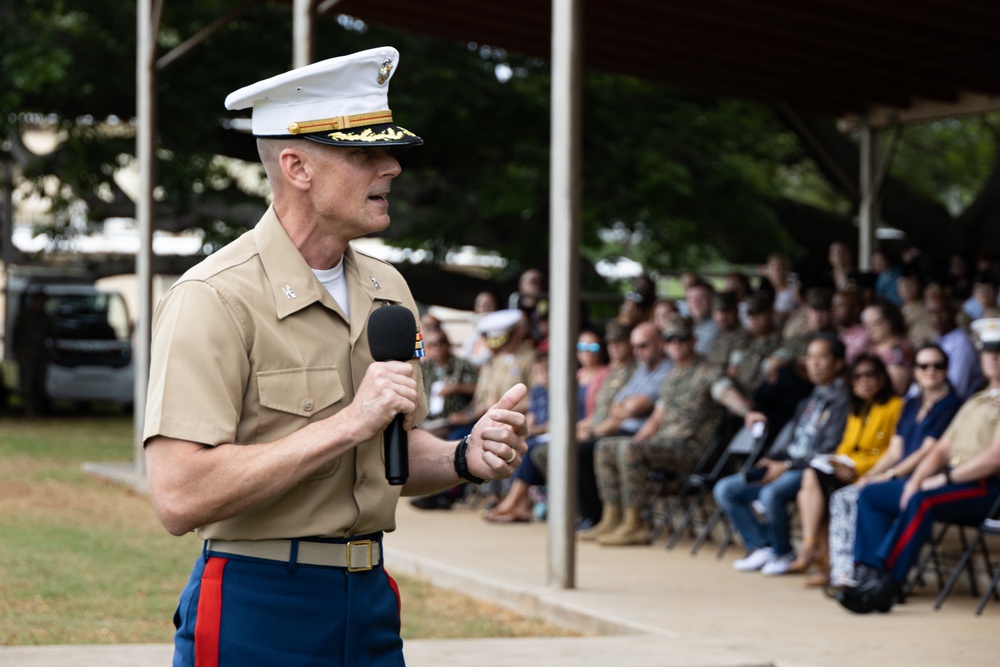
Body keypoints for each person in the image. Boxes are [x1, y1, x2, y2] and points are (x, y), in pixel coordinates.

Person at [142, 48, 528, 667]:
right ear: (296, 166)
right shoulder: (213, 297)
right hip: (259, 601)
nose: (392, 167)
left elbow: (391, 452)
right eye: (363, 154)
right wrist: (350, 421)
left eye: (388, 151)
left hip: (369, 601)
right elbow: (179, 496)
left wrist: (463, 456)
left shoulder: (388, 290)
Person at [838, 318, 1000, 614]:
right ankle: (867, 573)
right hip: (953, 480)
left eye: (999, 353)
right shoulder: (977, 400)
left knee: (922, 501)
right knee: (872, 495)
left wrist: (945, 478)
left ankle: (887, 583)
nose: (993, 359)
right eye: (989, 353)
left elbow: (994, 458)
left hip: (985, 487)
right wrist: (914, 480)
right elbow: (941, 448)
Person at [826, 343, 962, 589]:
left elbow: (927, 451)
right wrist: (870, 475)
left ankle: (872, 573)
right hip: (899, 477)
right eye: (923, 366)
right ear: (916, 371)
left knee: (862, 496)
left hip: (923, 478)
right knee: (855, 493)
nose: (930, 371)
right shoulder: (912, 403)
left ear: (946, 370)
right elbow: (895, 450)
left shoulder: (951, 404)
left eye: (937, 366)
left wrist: (888, 476)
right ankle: (857, 571)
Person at [714, 333, 850, 576]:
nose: (814, 363)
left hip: (810, 470)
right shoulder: (808, 400)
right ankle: (761, 545)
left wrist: (785, 465)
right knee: (726, 489)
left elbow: (828, 449)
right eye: (810, 357)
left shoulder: (844, 399)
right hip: (787, 464)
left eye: (822, 358)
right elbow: (788, 438)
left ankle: (783, 551)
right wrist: (772, 460)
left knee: (770, 492)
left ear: (838, 363)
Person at [584, 316, 727, 546]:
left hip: (692, 448)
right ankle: (613, 518)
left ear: (693, 340)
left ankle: (636, 524)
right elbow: (655, 420)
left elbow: (725, 392)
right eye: (671, 340)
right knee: (606, 447)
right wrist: (634, 444)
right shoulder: (672, 378)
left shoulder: (707, 371)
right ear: (666, 344)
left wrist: (748, 411)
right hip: (665, 443)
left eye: (681, 338)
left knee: (625, 448)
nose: (676, 344)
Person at [785, 354, 902, 585]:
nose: (863, 381)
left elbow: (891, 452)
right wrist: (841, 464)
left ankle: (820, 557)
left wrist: (857, 467)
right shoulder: (856, 407)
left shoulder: (895, 407)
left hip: (878, 474)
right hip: (850, 471)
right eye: (857, 376)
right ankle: (818, 553)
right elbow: (846, 447)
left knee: (821, 490)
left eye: (870, 375)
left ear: (882, 379)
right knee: (814, 477)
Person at [576, 321, 672, 529]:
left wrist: (625, 409)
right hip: (624, 428)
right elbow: (617, 407)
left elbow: (636, 407)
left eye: (643, 346)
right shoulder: (641, 370)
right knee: (579, 449)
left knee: (586, 450)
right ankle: (600, 516)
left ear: (660, 343)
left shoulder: (667, 370)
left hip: (642, 433)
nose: (637, 351)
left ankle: (598, 517)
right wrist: (625, 409)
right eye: (635, 346)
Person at [925, 292, 981, 400]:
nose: (937, 318)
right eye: (931, 313)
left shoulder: (962, 344)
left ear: (953, 312)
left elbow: (955, 390)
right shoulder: (937, 338)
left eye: (941, 312)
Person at [11, 289, 56, 418]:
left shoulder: (46, 317)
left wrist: (53, 350)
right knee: (27, 382)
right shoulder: (24, 316)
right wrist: (16, 351)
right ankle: (28, 408)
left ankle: (37, 408)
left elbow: (53, 335)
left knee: (39, 382)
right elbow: (16, 334)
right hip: (26, 353)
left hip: (41, 354)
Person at [861, 300, 914, 396]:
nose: (870, 329)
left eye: (876, 323)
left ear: (890, 321)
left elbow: (896, 389)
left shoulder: (901, 350)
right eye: (866, 325)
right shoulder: (869, 349)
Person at [459, 290, 499, 369]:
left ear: (496, 307)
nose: (485, 309)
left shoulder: (499, 330)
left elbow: (489, 354)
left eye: (489, 305)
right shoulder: (474, 330)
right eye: (482, 305)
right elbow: (464, 353)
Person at [685, 279, 719, 357]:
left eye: (701, 298)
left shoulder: (718, 326)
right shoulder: (685, 323)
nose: (695, 302)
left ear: (712, 301)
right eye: (691, 299)